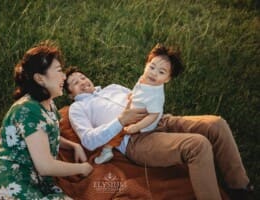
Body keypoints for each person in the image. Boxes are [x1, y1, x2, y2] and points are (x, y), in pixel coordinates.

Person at [64, 43, 253, 200]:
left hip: (159, 119)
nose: (81, 81)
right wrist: (121, 121)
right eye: (74, 83)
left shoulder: (112, 87)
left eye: (82, 77)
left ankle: (239, 188)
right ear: (71, 94)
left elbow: (141, 95)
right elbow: (88, 140)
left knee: (216, 124)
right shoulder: (78, 108)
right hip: (135, 139)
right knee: (197, 145)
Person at [0, 41, 93, 200]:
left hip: (36, 182)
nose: (63, 76)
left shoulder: (48, 103)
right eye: (59, 71)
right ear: (40, 79)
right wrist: (81, 168)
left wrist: (73, 145)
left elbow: (43, 135)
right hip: (11, 184)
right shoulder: (27, 110)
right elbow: (45, 166)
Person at [94, 44, 184, 164]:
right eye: (152, 67)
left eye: (161, 72)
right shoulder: (145, 78)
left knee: (119, 129)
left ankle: (107, 150)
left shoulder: (155, 96)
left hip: (143, 119)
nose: (153, 73)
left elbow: (153, 115)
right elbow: (139, 86)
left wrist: (137, 127)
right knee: (121, 120)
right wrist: (133, 94)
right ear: (146, 65)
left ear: (167, 79)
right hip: (137, 109)